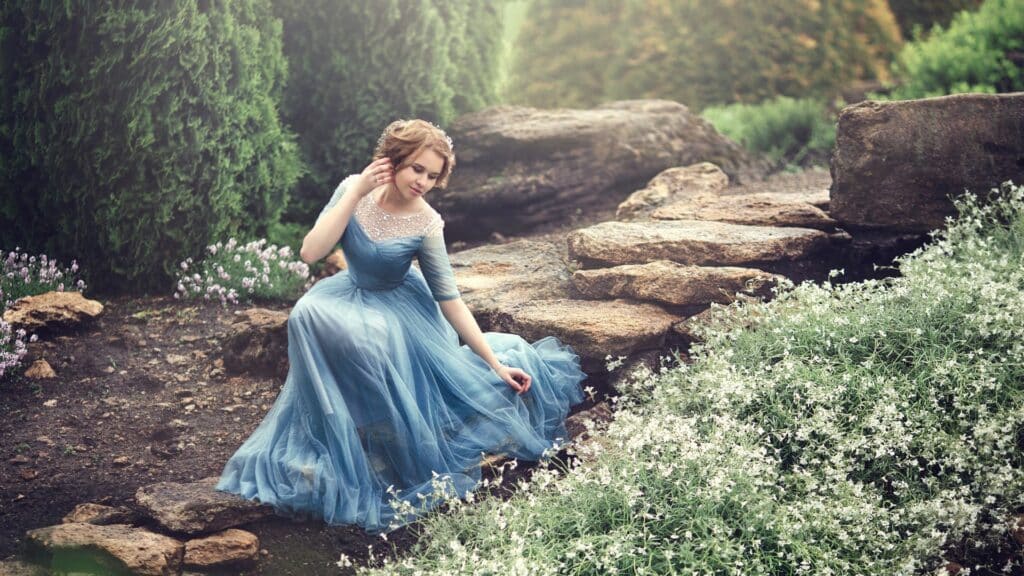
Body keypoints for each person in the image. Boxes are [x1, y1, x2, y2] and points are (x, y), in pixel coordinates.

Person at [216, 119, 586, 532]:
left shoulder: (427, 223)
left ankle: (381, 431)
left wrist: (495, 366)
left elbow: (451, 300)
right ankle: (342, 424)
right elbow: (310, 252)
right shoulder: (354, 190)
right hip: (348, 292)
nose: (423, 181)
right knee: (306, 313)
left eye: (432, 175)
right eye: (417, 169)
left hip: (397, 309)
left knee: (369, 337)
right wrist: (356, 191)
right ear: (392, 161)